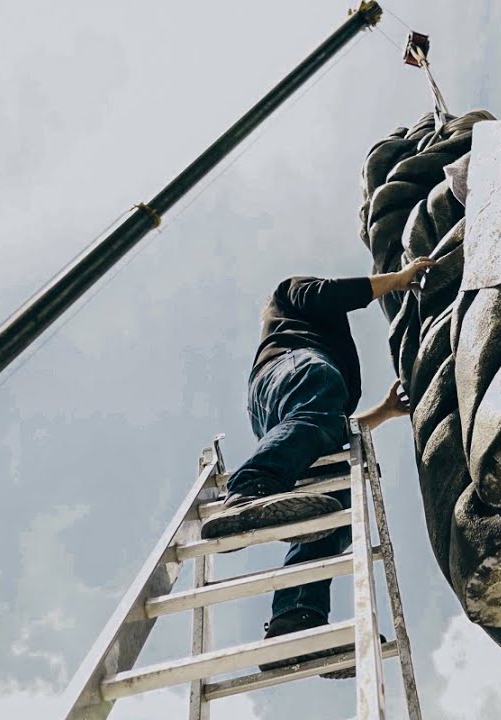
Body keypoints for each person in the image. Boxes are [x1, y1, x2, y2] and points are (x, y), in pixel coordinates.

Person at [201, 256, 435, 674]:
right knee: (322, 389)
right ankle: (247, 490)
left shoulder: (313, 399)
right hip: (293, 367)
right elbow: (327, 294)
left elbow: (322, 423)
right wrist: (398, 280)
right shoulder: (291, 293)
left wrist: (381, 412)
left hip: (289, 413)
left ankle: (297, 623)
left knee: (328, 515)